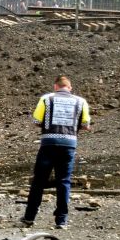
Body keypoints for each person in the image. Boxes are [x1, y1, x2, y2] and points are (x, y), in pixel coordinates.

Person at [21, 76, 91, 229]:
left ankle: (29, 217)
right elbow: (86, 125)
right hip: (69, 145)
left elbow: (35, 121)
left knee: (38, 182)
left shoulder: (46, 99)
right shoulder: (81, 101)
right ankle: (61, 220)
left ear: (55, 86)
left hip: (48, 144)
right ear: (70, 87)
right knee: (64, 182)